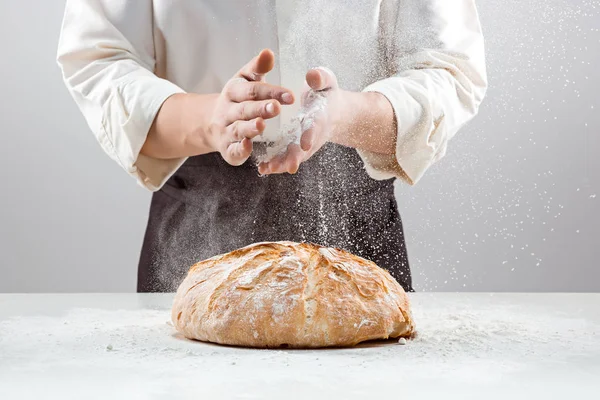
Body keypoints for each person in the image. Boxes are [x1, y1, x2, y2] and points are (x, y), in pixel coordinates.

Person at [57, 0, 487, 293]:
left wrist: (345, 115)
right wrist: (212, 120)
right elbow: (99, 58)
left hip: (356, 226)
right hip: (197, 216)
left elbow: (448, 69)